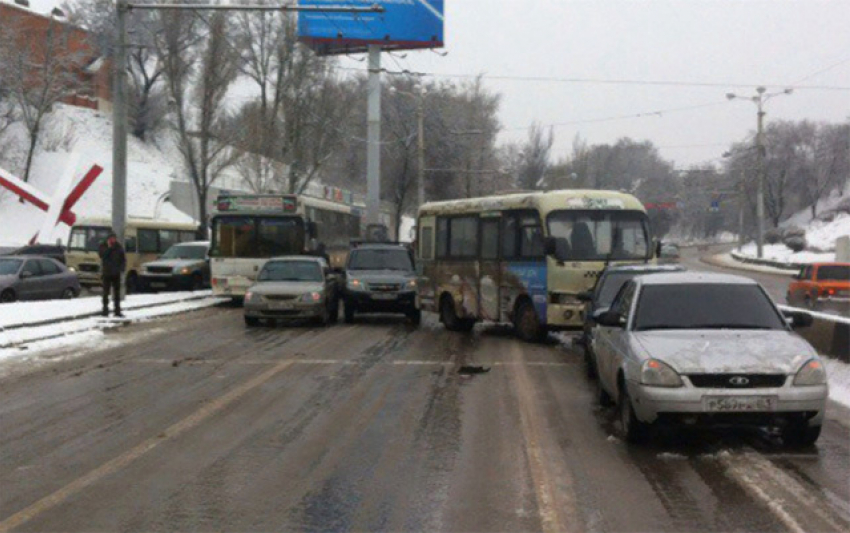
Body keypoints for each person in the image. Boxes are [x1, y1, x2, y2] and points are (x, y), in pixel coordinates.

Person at [99, 231, 126, 317]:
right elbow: (102, 255)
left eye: (114, 238)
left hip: (116, 273)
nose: (112, 240)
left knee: (116, 293)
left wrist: (122, 268)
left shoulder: (118, 247)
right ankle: (105, 309)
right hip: (106, 273)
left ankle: (117, 310)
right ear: (108, 239)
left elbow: (123, 259)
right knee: (105, 292)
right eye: (111, 238)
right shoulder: (103, 246)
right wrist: (110, 248)